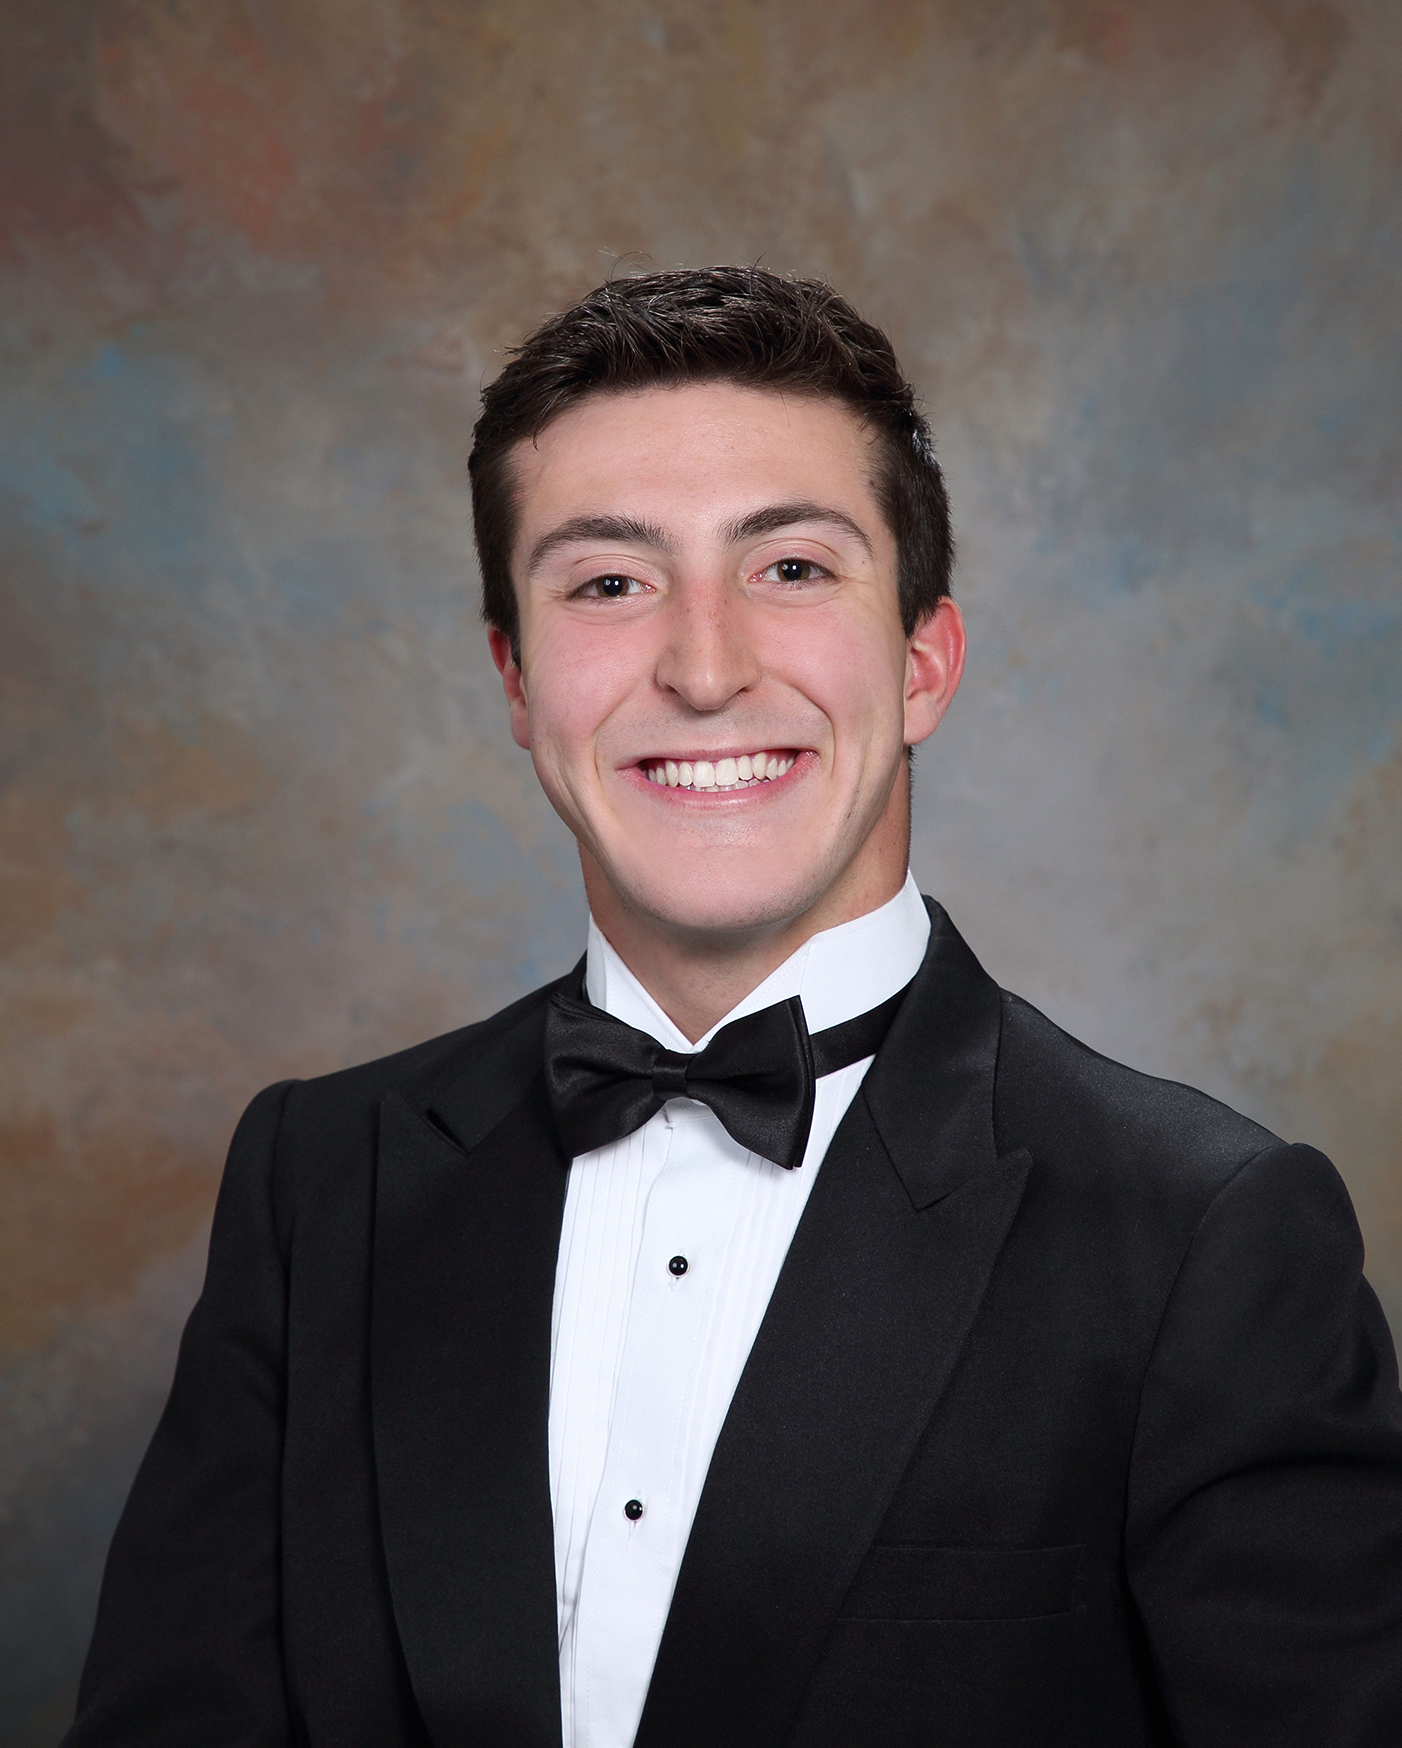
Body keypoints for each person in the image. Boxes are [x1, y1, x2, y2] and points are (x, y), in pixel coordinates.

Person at [66, 268, 1402, 1748]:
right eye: (608, 583)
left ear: (921, 664)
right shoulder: (321, 1180)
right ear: (516, 679)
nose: (704, 670)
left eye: (791, 568)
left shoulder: (1206, 1237)